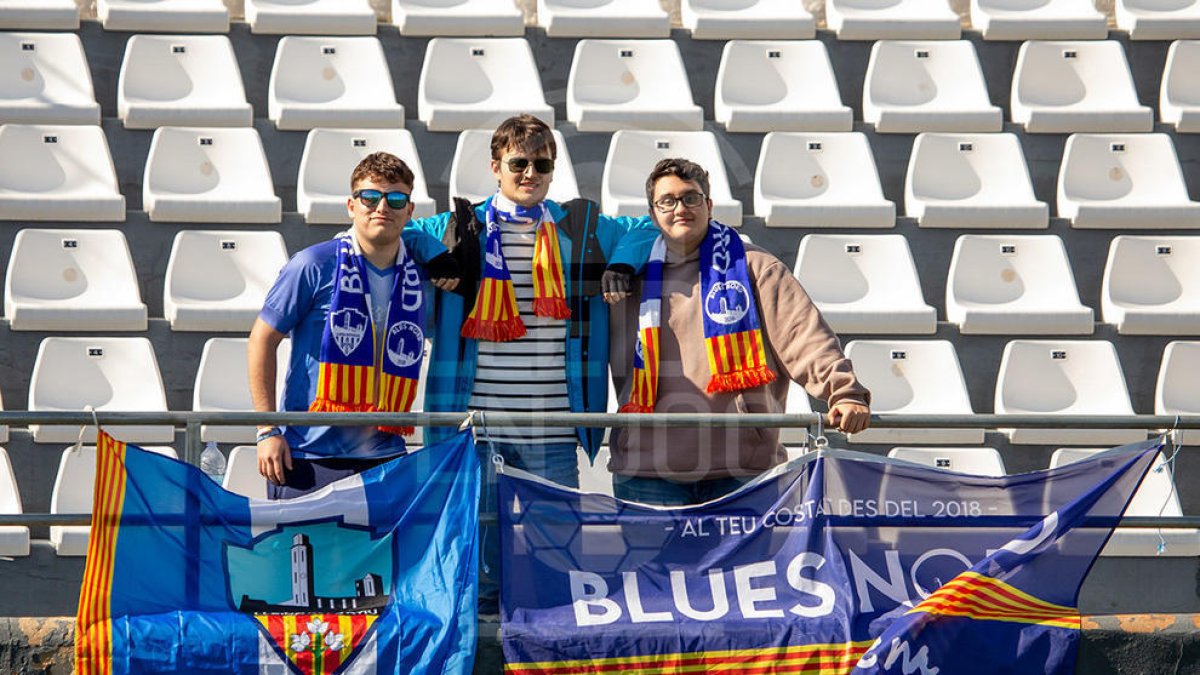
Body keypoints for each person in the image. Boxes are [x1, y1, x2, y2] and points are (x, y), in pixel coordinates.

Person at [401, 114, 657, 608]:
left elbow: (647, 226)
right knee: (478, 563)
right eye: (518, 163)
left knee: (553, 564)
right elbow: (400, 231)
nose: (530, 174)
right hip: (474, 426)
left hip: (553, 427)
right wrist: (435, 254)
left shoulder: (579, 228)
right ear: (495, 167)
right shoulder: (459, 227)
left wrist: (622, 262)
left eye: (542, 165)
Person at [609, 157, 872, 506]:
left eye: (691, 197)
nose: (680, 208)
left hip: (743, 472)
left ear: (709, 204)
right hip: (648, 473)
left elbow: (803, 336)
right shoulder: (625, 276)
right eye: (667, 201)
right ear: (652, 213)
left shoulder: (755, 267)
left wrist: (844, 392)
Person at [248, 152, 459, 499]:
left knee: (384, 557)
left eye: (395, 199)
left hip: (386, 458)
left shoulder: (423, 275)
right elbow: (261, 340)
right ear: (351, 205)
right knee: (303, 555)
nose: (382, 207)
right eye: (370, 197)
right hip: (308, 453)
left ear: (409, 211)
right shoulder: (313, 265)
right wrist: (267, 429)